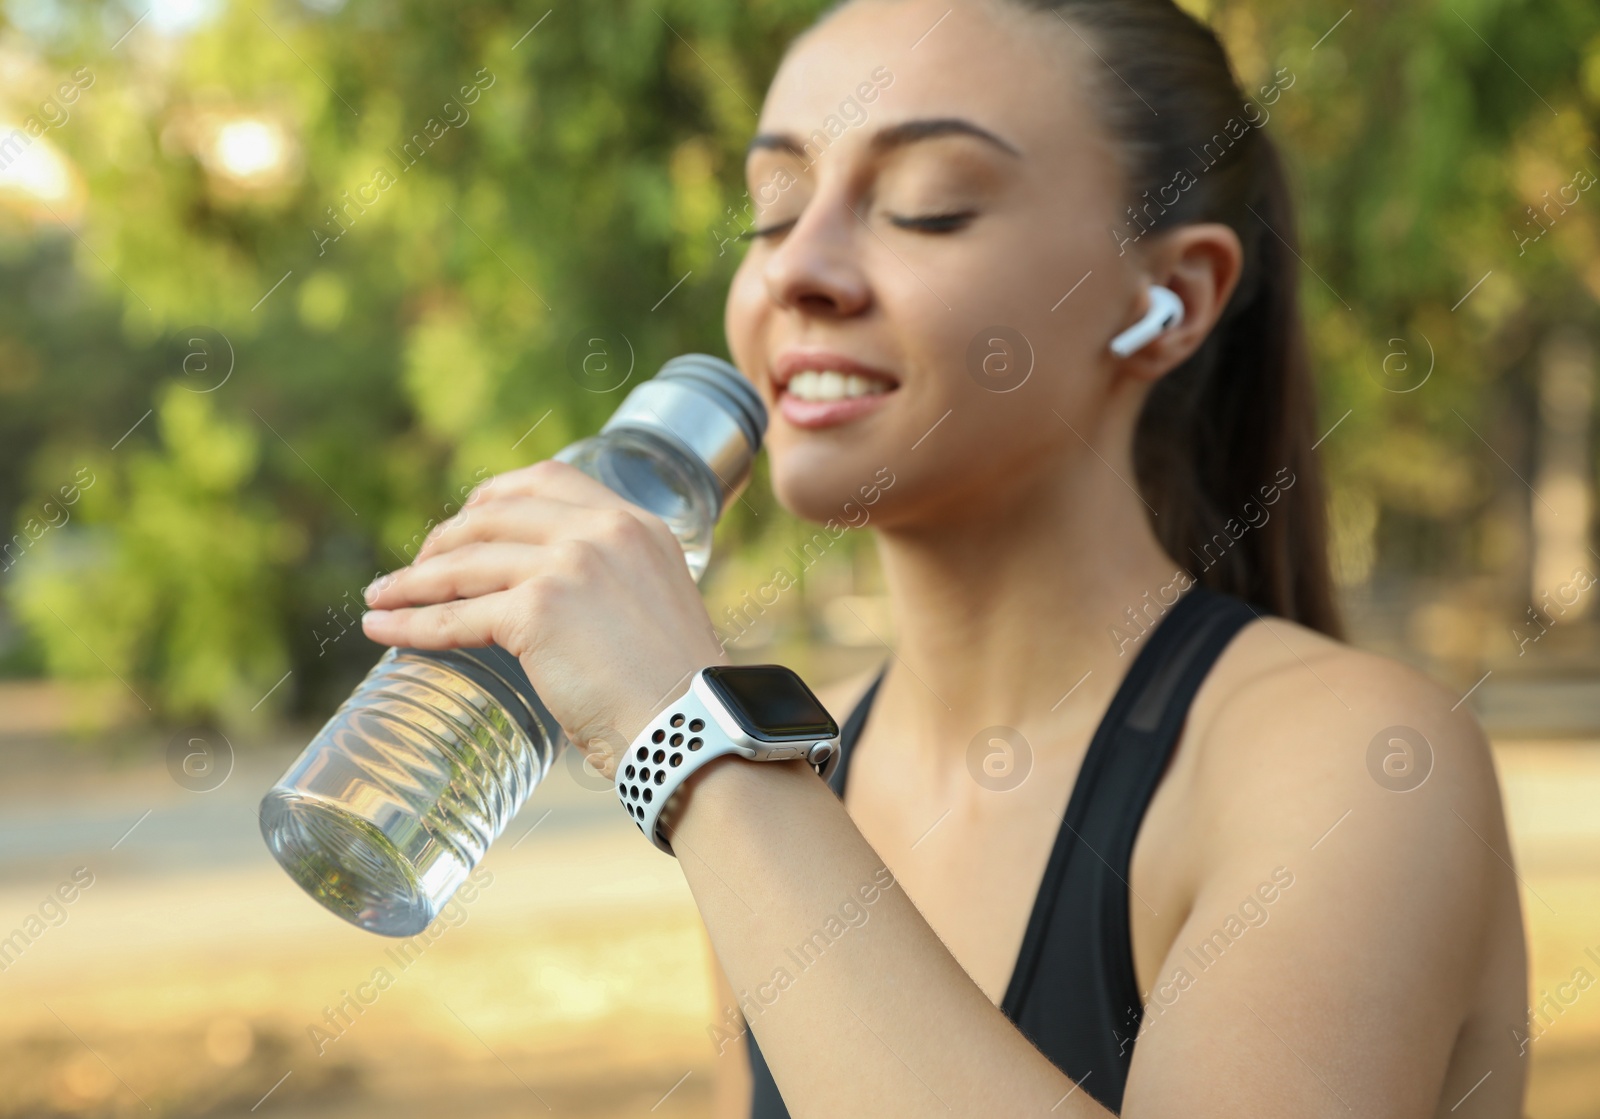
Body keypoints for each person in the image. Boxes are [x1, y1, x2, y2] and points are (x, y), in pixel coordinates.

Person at [359, 0, 1529, 1114]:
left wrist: (688, 739)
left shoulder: (1360, 766)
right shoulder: (796, 784)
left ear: (1167, 300)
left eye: (925, 205)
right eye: (771, 210)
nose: (793, 271)